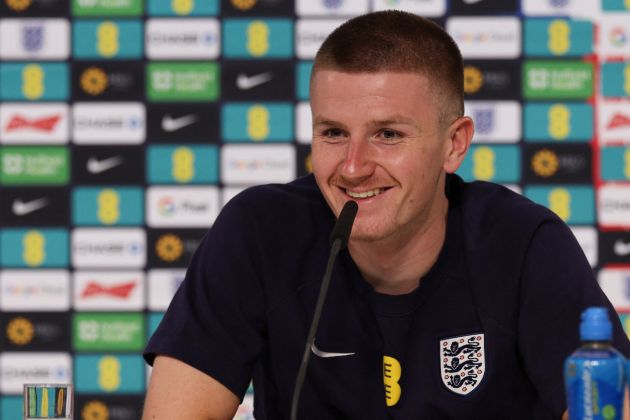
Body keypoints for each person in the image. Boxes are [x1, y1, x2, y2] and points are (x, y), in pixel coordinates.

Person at [142, 10, 630, 419]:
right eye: (333, 133)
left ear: (454, 144)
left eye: (388, 135)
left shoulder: (523, 243)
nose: (353, 168)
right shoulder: (260, 230)